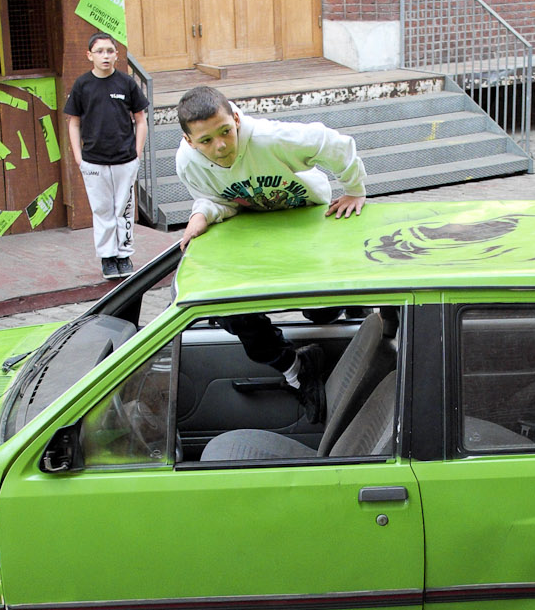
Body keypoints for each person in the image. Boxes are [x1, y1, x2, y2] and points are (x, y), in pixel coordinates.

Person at [171, 85, 371, 421]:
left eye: (225, 132)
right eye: (205, 140)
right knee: (230, 310)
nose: (219, 146)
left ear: (235, 119)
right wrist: (201, 215)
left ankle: (351, 312)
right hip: (254, 233)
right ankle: (295, 367)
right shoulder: (188, 164)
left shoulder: (269, 139)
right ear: (190, 141)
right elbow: (218, 201)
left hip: (305, 221)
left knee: (322, 312)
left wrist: (354, 189)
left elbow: (331, 142)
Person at [64, 32, 149, 279]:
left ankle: (124, 255)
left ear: (116, 54)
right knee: (102, 209)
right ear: (89, 55)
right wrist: (79, 157)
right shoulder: (82, 85)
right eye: (99, 51)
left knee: (123, 209)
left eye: (110, 51)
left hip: (125, 159)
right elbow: (73, 123)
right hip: (93, 161)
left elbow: (140, 120)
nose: (105, 56)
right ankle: (107, 258)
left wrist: (137, 152)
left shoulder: (126, 83)